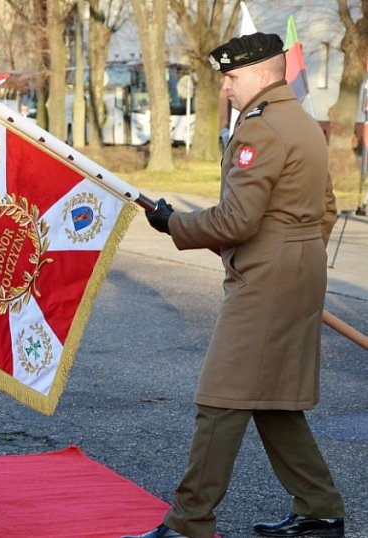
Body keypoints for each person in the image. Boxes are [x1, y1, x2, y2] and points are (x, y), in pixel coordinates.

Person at [124, 33, 343, 538]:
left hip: (267, 283)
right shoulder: (305, 123)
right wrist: (295, 253)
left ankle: (188, 522)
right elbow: (325, 210)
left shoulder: (260, 131)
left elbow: (236, 222)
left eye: (232, 76)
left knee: (220, 398)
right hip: (300, 271)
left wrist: (174, 223)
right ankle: (319, 509)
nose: (225, 88)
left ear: (264, 74)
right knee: (272, 397)